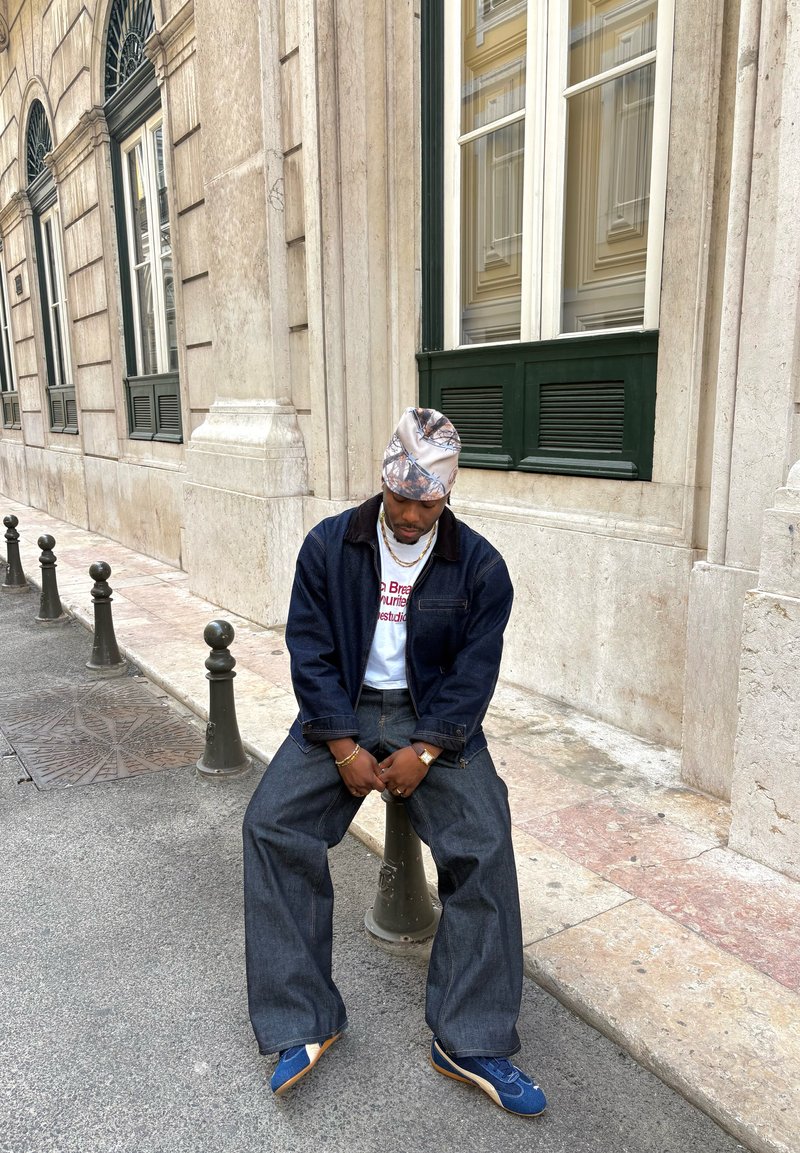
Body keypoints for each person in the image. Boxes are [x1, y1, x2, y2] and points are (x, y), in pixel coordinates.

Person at [242, 407, 546, 1117]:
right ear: (382, 483)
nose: (410, 513)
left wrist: (430, 746)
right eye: (399, 497)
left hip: (432, 716)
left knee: (486, 841)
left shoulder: (480, 565)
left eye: (427, 500)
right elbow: (309, 651)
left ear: (448, 495)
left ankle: (467, 1038)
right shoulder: (329, 545)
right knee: (270, 824)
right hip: (343, 708)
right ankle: (303, 1018)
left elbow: (475, 672)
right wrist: (343, 745)